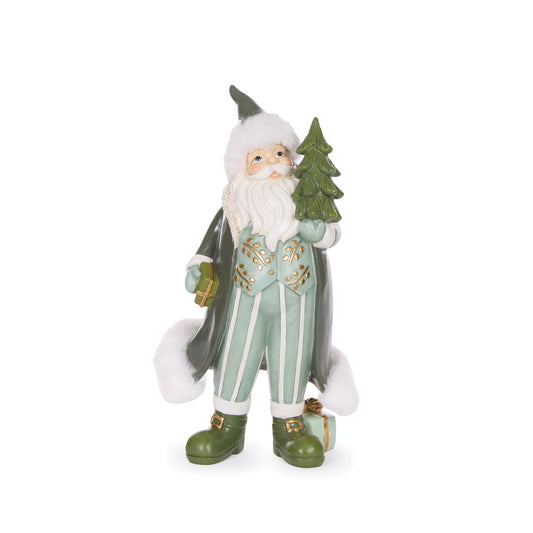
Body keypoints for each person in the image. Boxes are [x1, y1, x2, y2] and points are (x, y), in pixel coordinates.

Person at [154, 86, 358, 467]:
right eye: (259, 158)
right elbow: (210, 245)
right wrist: (199, 268)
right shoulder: (236, 208)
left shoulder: (303, 202)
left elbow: (331, 235)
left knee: (291, 357)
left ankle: (289, 427)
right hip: (244, 300)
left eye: (279, 154)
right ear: (242, 168)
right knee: (237, 354)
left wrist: (319, 232)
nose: (272, 165)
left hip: (298, 300)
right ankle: (227, 425)